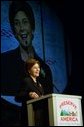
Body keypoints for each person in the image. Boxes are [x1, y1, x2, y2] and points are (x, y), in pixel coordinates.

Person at [1, 1, 53, 126]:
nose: (22, 28)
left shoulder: (45, 69)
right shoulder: (3, 62)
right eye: (17, 23)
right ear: (14, 31)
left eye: (25, 22)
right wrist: (28, 94)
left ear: (32, 26)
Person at [15, 58, 50, 126]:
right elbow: (17, 97)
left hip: (40, 115)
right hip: (29, 115)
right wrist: (29, 94)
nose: (38, 70)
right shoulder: (27, 81)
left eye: (38, 67)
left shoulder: (39, 84)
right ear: (29, 70)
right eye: (35, 68)